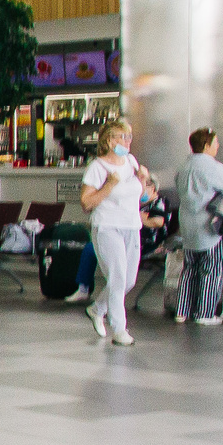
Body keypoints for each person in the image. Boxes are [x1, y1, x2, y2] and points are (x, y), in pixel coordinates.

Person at [79, 120, 152, 345]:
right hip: (107, 226)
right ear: (109, 141)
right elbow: (86, 203)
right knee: (118, 277)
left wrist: (143, 182)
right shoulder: (98, 168)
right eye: (122, 137)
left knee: (128, 280)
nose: (127, 142)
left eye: (129, 137)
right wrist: (108, 185)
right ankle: (119, 329)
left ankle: (97, 308)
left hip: (131, 226)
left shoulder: (131, 162)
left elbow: (139, 197)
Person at [174, 128, 223, 323]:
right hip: (211, 227)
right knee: (211, 271)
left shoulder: (183, 166)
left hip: (188, 225)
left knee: (189, 270)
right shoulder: (215, 168)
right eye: (215, 143)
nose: (218, 146)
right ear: (206, 146)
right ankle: (204, 314)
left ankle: (182, 310)